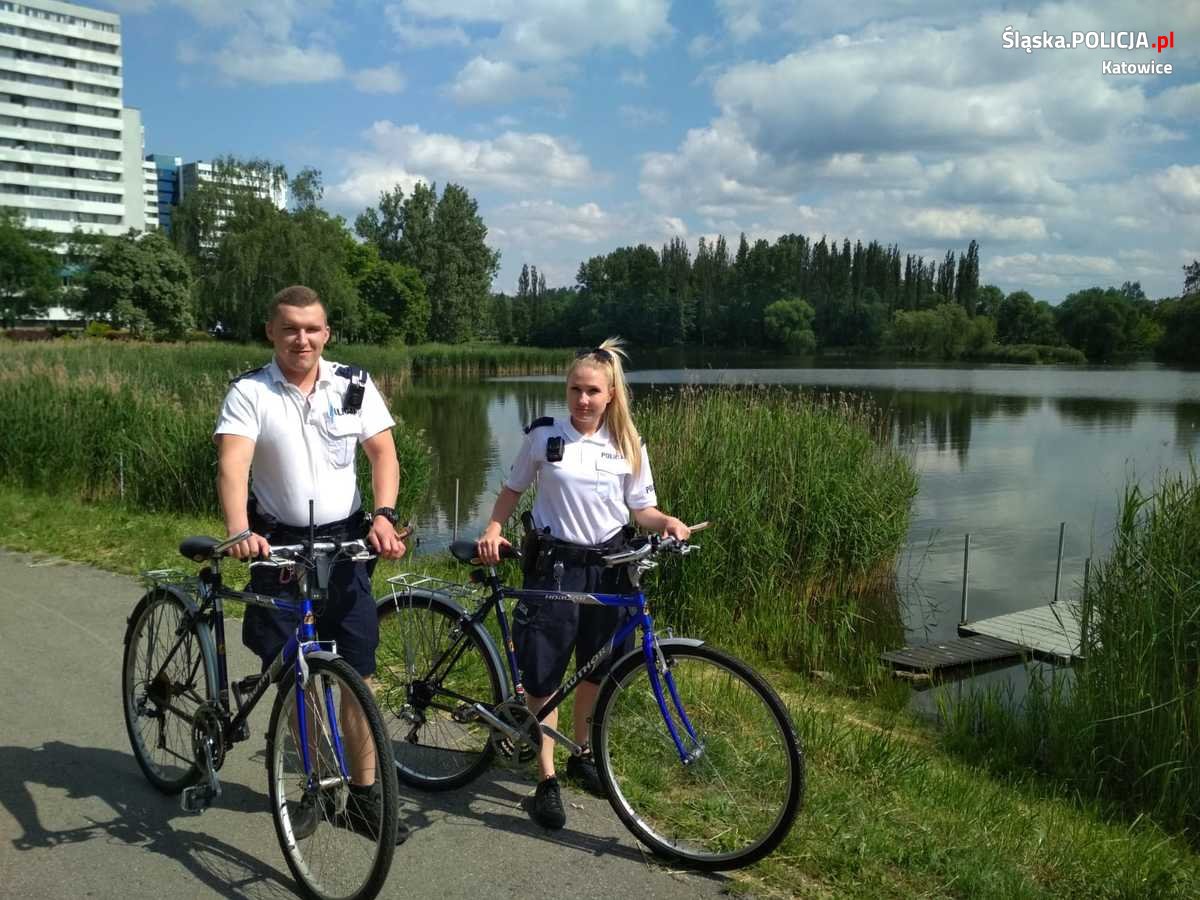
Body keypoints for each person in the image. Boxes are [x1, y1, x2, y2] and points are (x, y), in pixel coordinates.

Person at [213, 284, 408, 843]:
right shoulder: (251, 391)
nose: (303, 338)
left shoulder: (354, 383)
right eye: (291, 328)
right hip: (276, 543)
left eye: (313, 328)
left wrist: (385, 515)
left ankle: (365, 798)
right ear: (271, 331)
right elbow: (233, 463)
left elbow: (383, 453)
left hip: (344, 544)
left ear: (327, 333)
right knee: (297, 675)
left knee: (358, 675)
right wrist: (239, 530)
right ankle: (317, 788)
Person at [476, 338, 690, 830]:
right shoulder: (544, 436)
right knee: (546, 673)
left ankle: (583, 753)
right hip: (553, 566)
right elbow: (512, 488)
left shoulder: (629, 446)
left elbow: (641, 509)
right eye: (575, 389)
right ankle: (546, 776)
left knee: (598, 667)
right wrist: (492, 528)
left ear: (611, 394)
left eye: (593, 391)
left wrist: (667, 522)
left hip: (611, 566)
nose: (583, 400)